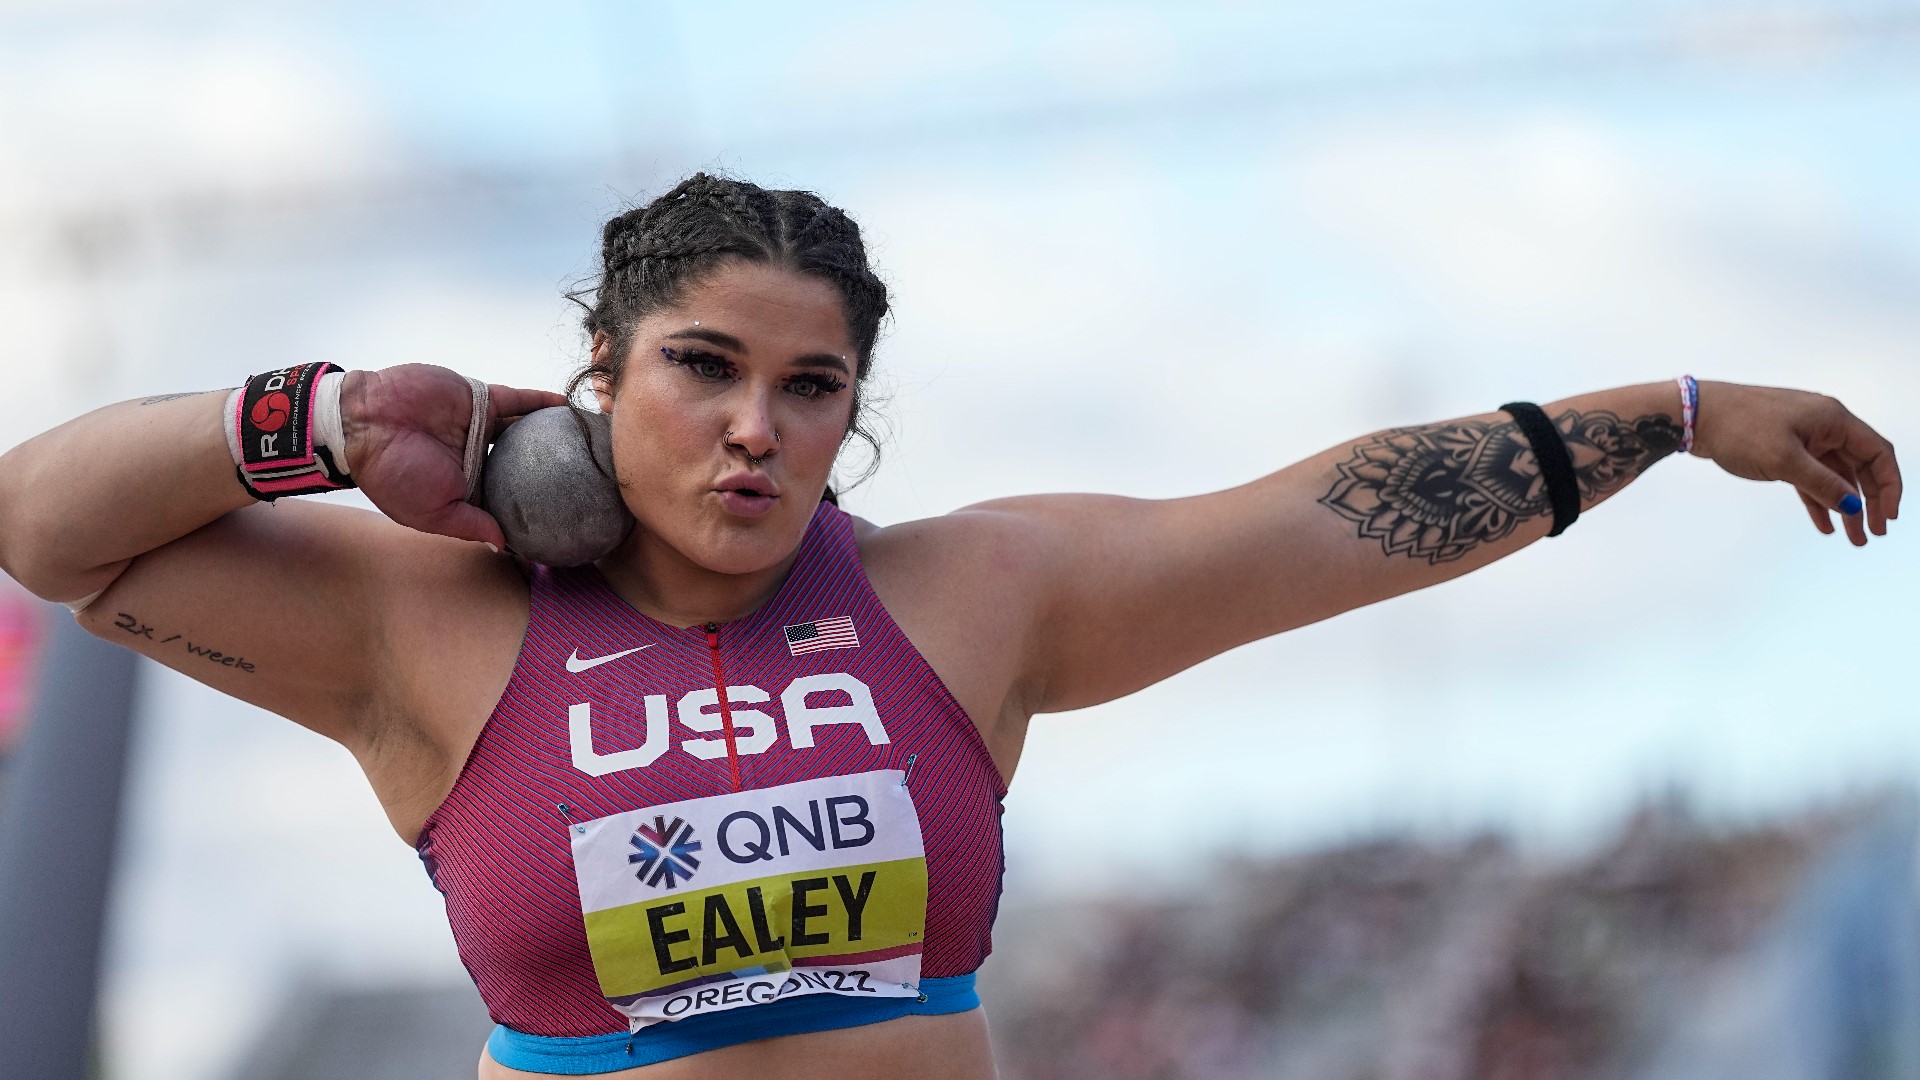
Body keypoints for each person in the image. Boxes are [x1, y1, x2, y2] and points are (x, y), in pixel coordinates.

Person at [0, 172, 1900, 1080]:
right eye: (703, 369)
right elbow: (45, 530)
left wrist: (1672, 413)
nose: (759, 424)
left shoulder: (969, 599)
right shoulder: (433, 635)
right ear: (593, 378)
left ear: (853, 417)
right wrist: (317, 423)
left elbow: (1337, 518)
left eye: (811, 386)